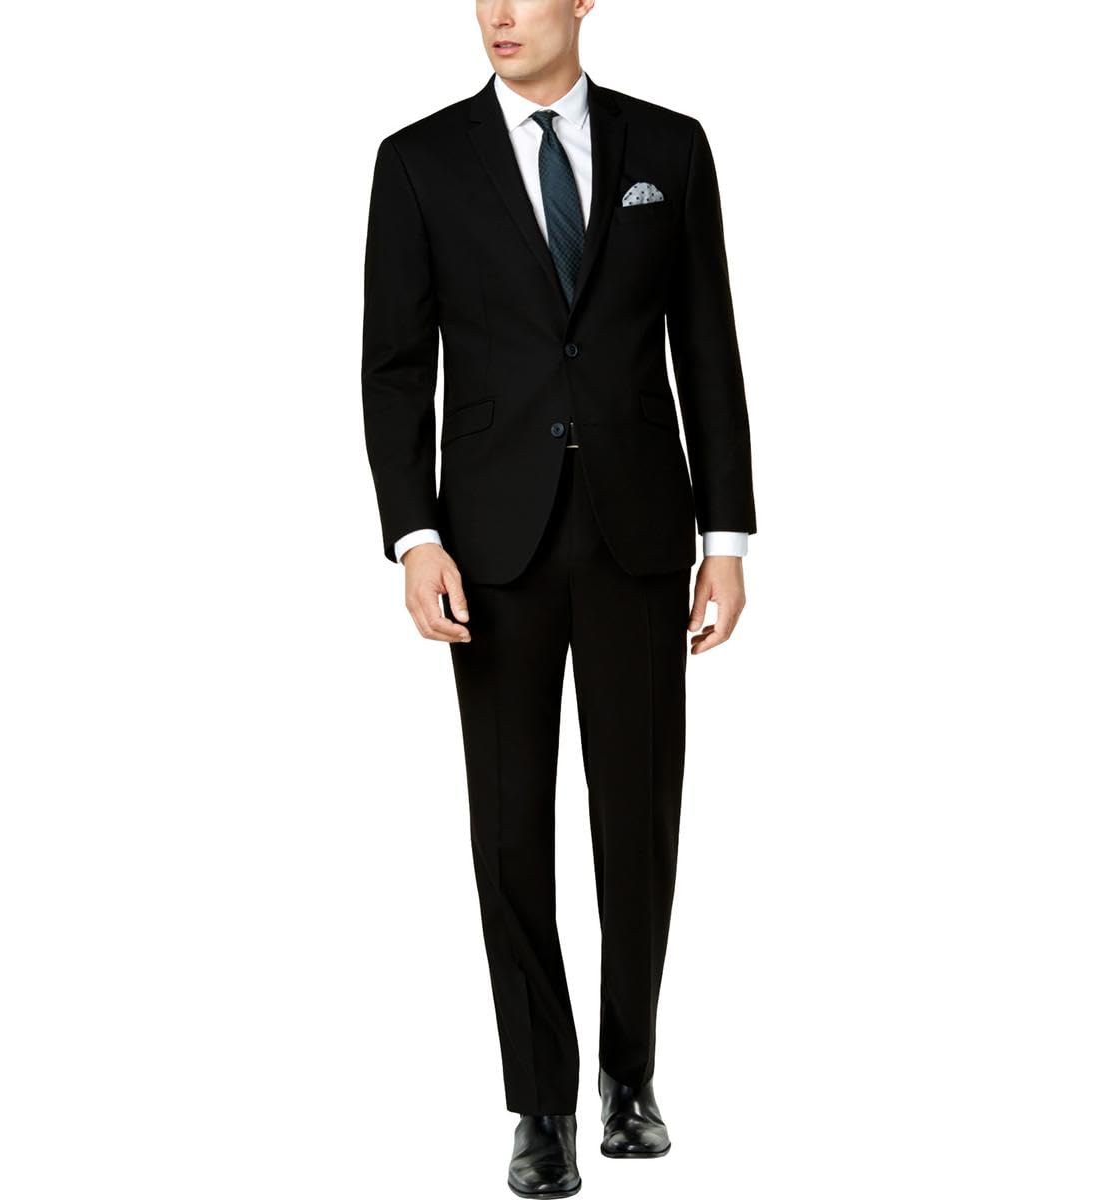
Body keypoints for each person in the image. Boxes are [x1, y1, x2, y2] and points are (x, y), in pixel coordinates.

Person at [361, 2, 755, 1194]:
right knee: (509, 829)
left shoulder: (669, 148)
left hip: (641, 535)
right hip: (492, 545)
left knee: (638, 820)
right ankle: (540, 1104)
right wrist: (415, 535)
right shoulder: (419, 161)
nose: (497, 14)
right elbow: (394, 367)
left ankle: (629, 1077)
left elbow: (708, 345)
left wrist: (727, 537)